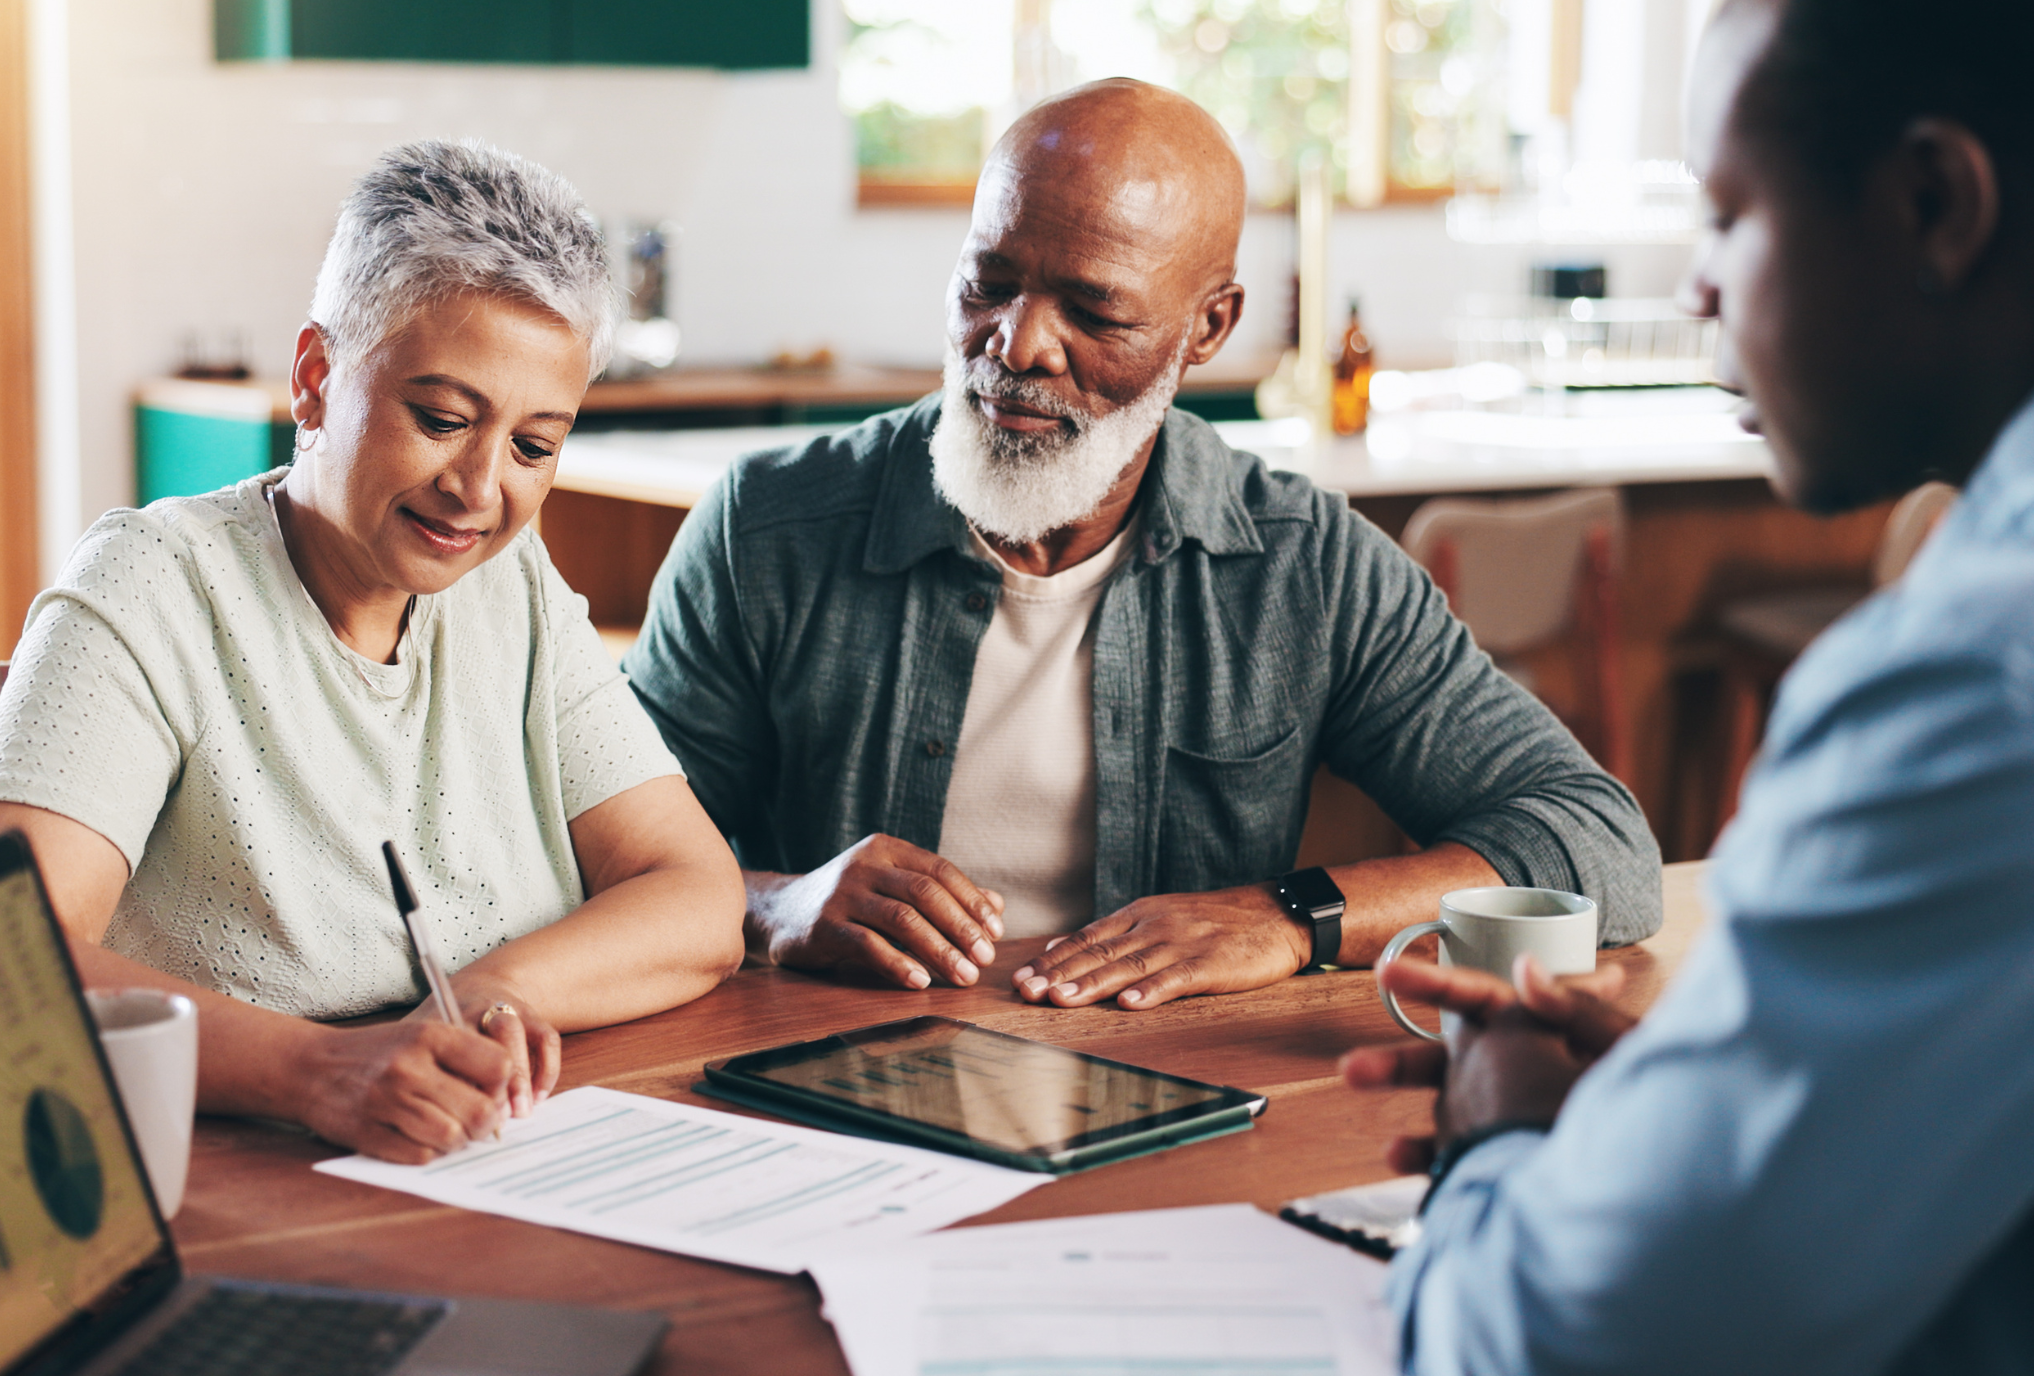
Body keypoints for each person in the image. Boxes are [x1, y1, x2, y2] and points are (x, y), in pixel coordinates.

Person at [1345, 0, 2034, 1370]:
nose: (1696, 280)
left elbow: (1550, 1338)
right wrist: (1691, 1105)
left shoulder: (1968, 686)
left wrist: (1503, 1139)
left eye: (1726, 211)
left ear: (1933, 206)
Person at [625, 79, 1661, 1010]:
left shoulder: (1303, 563)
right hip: (826, 1079)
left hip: (1161, 1086)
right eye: (988, 282)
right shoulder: (767, 528)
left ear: (1207, 329)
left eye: (1092, 310)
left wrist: (1289, 915)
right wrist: (776, 902)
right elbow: (583, 850)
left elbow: (1598, 844)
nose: (1018, 344)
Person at [0, 141, 746, 1164]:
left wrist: (482, 998)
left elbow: (697, 895)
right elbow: (0, 955)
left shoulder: (514, 588)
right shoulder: (149, 584)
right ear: (318, 377)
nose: (478, 486)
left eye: (533, 445)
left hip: (484, 1144)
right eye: (442, 418)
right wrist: (318, 1071)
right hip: (243, 1168)